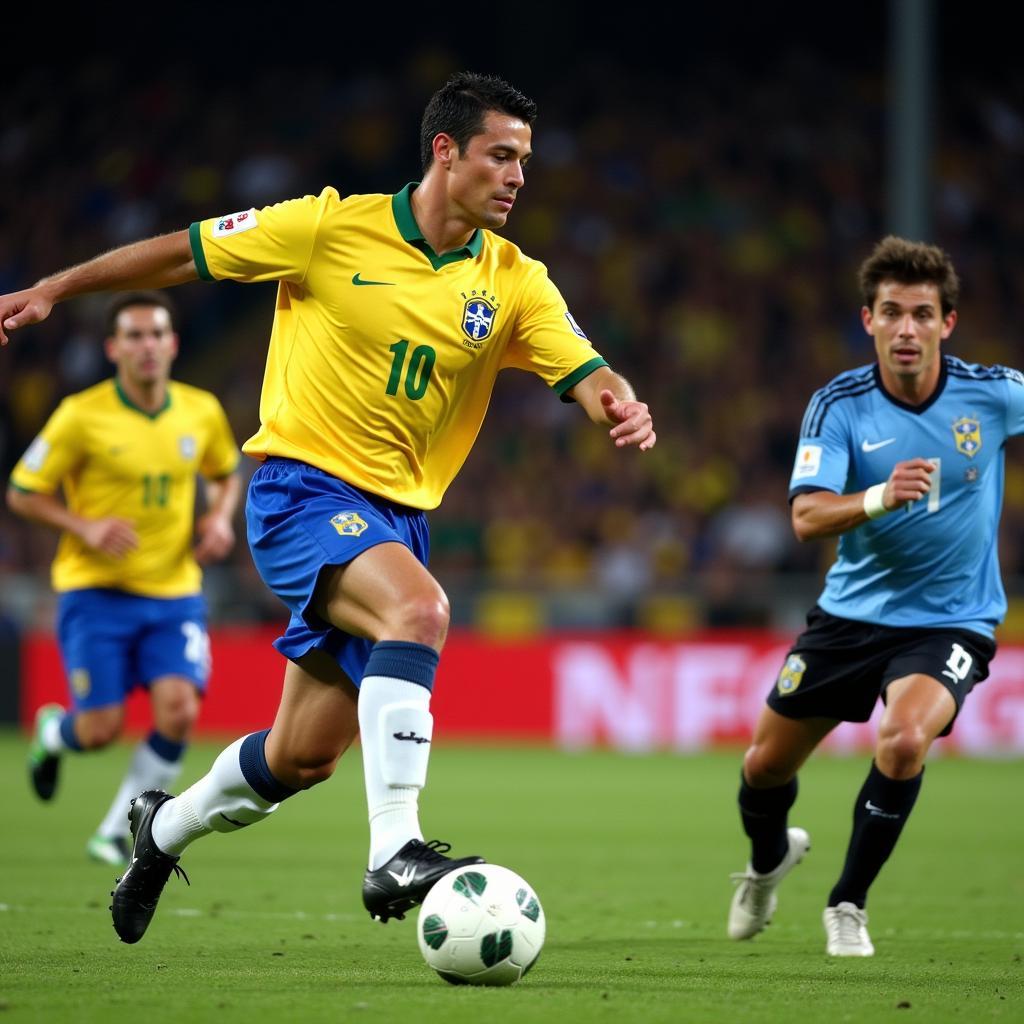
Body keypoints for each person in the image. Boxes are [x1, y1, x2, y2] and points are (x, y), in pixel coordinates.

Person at [0, 72, 656, 944]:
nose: (517, 177)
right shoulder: (324, 225)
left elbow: (585, 368)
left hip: (395, 518)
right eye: (501, 155)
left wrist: (618, 399)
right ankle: (398, 849)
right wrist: (55, 288)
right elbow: (181, 252)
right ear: (445, 150)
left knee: (299, 757)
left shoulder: (514, 281)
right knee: (419, 610)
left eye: (525, 161)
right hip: (301, 491)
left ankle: (159, 831)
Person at [726, 236, 1021, 956]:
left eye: (923, 314)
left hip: (951, 622)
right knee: (763, 768)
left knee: (904, 739)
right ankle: (768, 862)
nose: (907, 329)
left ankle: (848, 903)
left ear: (947, 323)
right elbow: (805, 517)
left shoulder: (995, 394)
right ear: (869, 320)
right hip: (849, 620)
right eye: (893, 312)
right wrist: (882, 495)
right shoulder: (840, 406)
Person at [8, 291, 241, 868]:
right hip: (96, 594)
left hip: (173, 592)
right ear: (113, 348)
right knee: (99, 730)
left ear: (173, 344)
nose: (147, 347)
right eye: (134, 336)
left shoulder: (200, 409)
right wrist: (80, 525)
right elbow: (22, 491)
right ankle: (54, 736)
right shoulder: (80, 415)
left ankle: (117, 830)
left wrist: (218, 517)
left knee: (180, 710)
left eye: (157, 334)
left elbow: (225, 470)